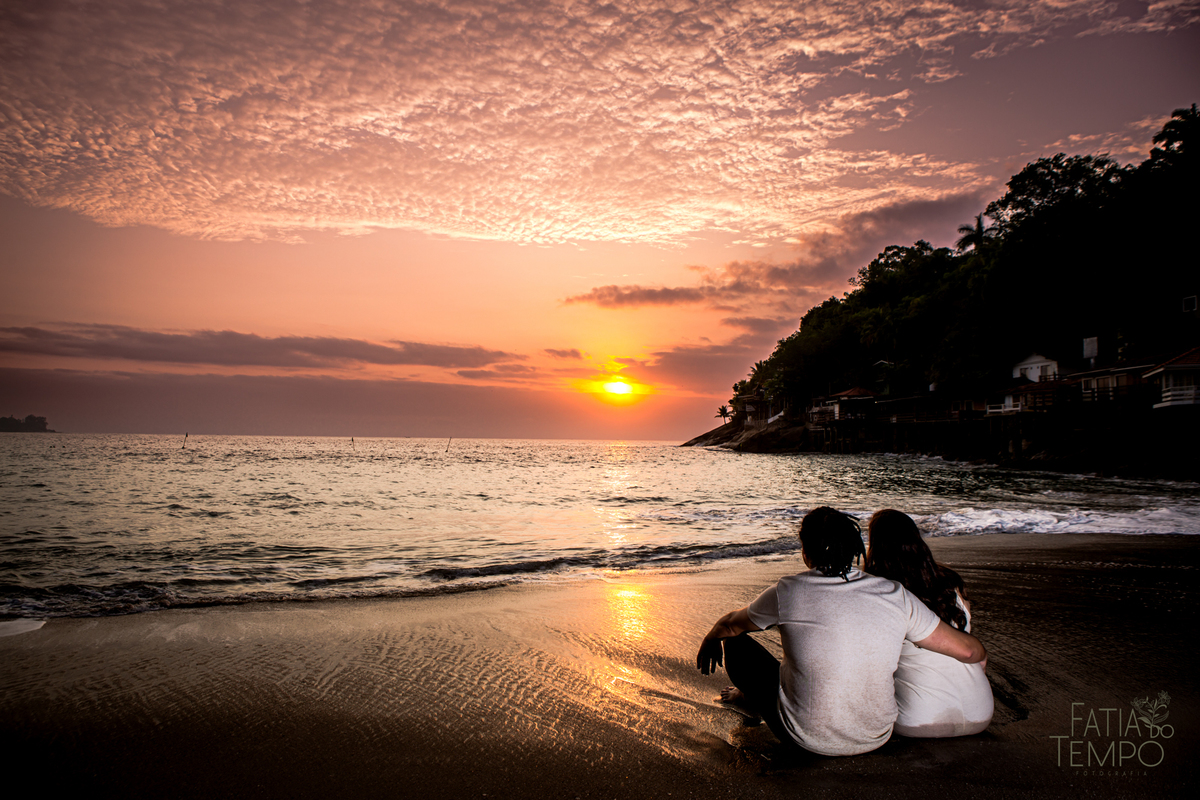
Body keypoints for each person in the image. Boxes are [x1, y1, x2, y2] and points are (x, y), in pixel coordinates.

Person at [696, 506, 987, 756]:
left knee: (734, 641)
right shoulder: (895, 592)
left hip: (806, 741)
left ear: (805, 551)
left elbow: (730, 624)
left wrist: (711, 638)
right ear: (855, 547)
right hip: (878, 737)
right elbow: (971, 651)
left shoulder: (788, 590)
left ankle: (753, 703)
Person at [863, 509, 994, 737]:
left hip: (919, 720)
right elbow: (975, 656)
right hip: (982, 712)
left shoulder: (881, 594)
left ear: (876, 546)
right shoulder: (951, 583)